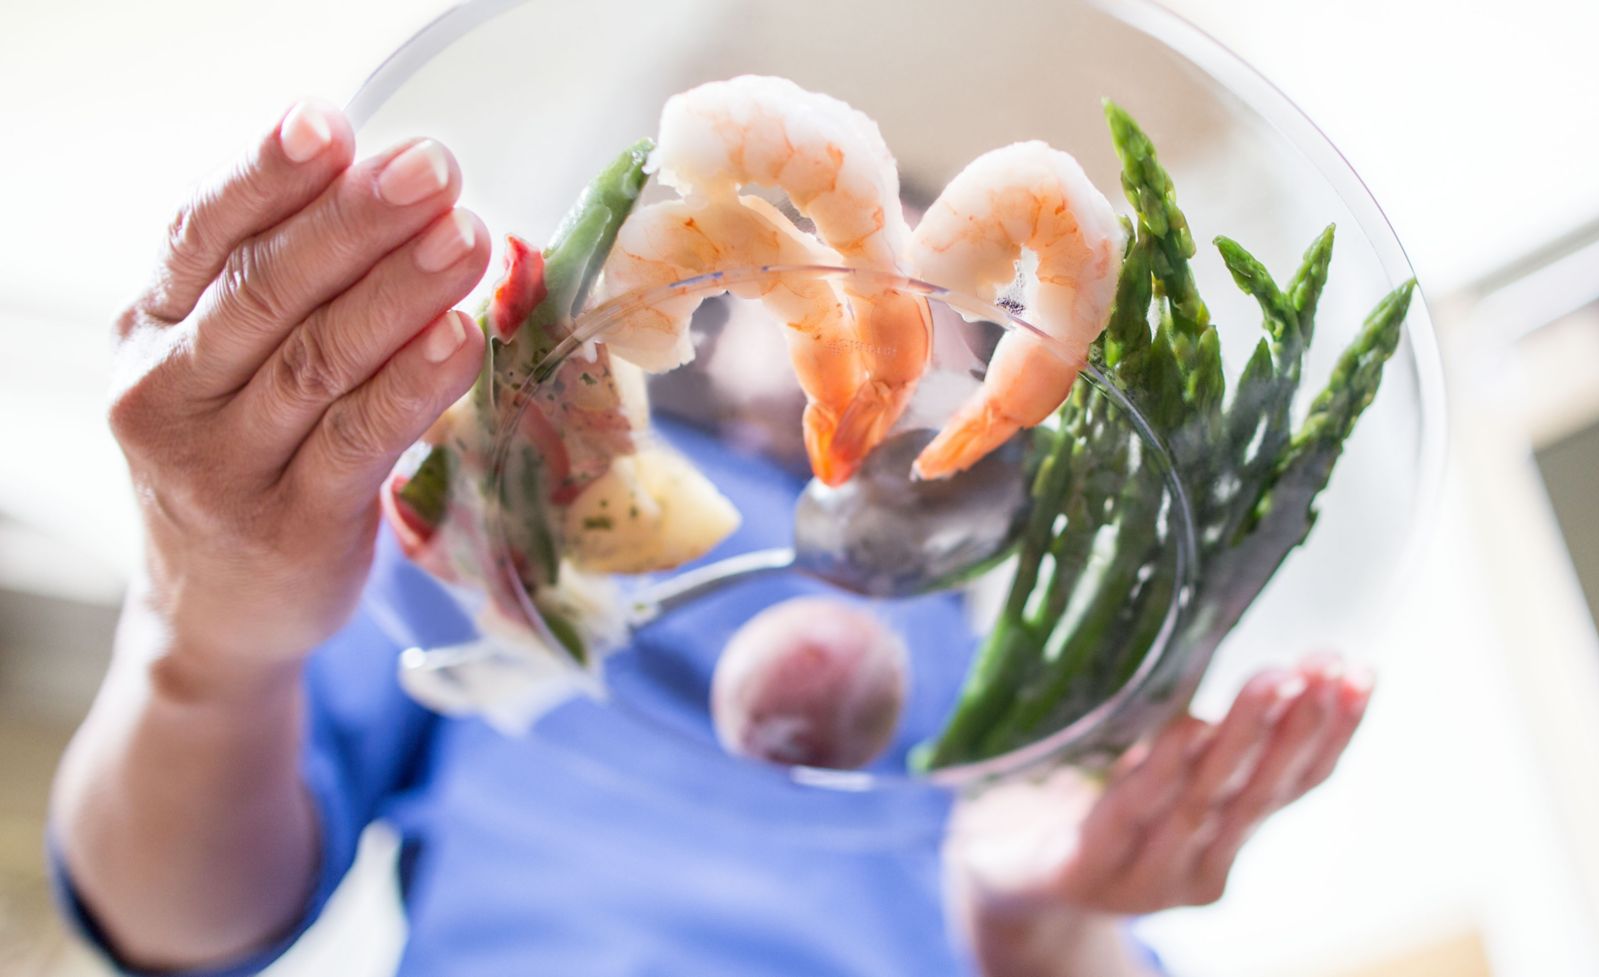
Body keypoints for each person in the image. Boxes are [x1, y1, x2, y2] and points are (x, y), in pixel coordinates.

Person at [49, 99, 1373, 977]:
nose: (883, 334)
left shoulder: (997, 668)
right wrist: (204, 642)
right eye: (824, 281)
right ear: (718, 301)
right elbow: (174, 921)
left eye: (943, 334)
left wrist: (1037, 921)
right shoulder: (509, 509)